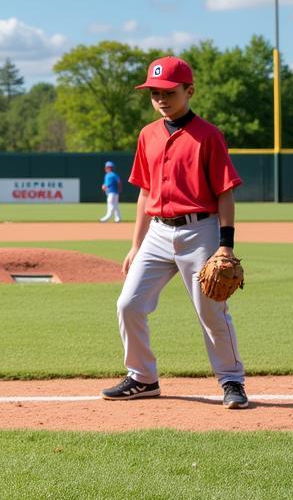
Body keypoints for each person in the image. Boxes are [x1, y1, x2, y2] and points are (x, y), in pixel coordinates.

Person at [102, 56, 248, 409]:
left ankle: (232, 381)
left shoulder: (209, 136)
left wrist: (225, 247)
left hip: (200, 231)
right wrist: (135, 245)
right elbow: (144, 193)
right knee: (129, 304)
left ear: (189, 91)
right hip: (156, 232)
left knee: (211, 310)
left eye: (168, 91)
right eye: (154, 93)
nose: (160, 99)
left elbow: (224, 192)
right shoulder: (147, 135)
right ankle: (142, 377)